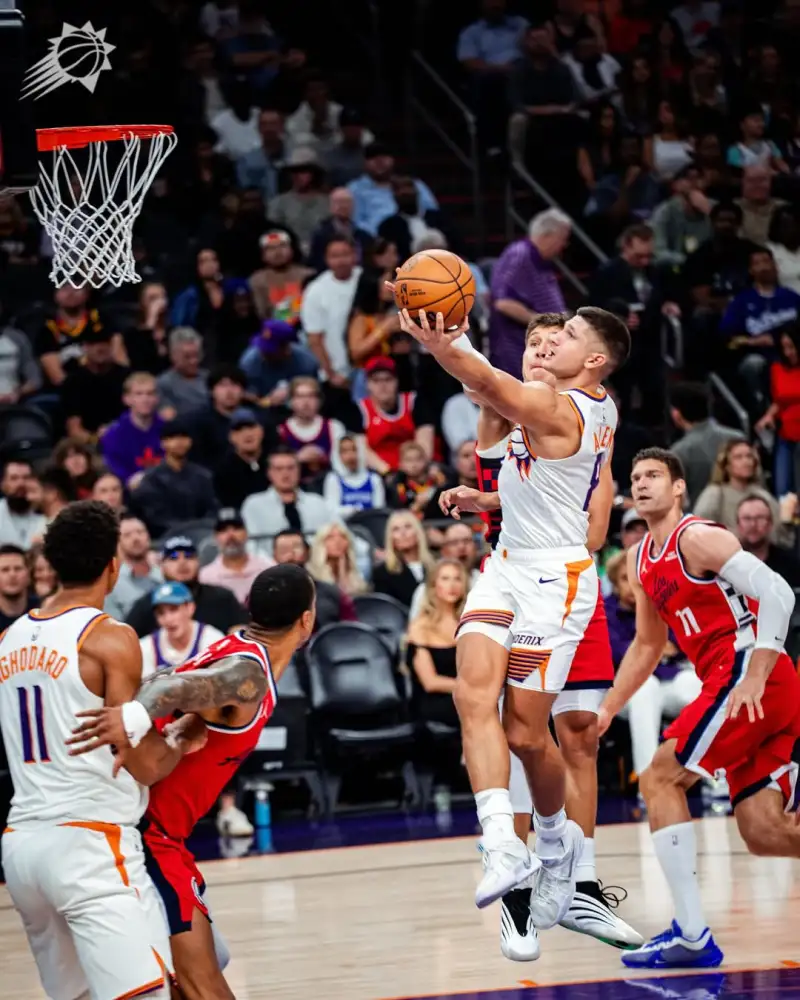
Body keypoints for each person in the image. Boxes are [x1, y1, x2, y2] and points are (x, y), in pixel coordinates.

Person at [398, 300, 630, 933]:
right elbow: (522, 446)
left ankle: (555, 848)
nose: (554, 343)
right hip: (505, 563)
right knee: (473, 698)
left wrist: (445, 341)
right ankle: (501, 843)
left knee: (528, 734)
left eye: (570, 337)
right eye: (546, 338)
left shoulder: (566, 408)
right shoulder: (565, 400)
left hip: (557, 579)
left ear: (595, 361)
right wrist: (490, 497)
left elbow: (487, 383)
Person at [66, 563, 317, 999]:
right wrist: (133, 720)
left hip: (161, 834)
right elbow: (175, 686)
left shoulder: (237, 648)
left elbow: (167, 679)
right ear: (307, 620)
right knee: (204, 983)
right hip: (145, 834)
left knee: (196, 974)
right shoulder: (247, 676)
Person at [598, 448, 800, 969]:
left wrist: (755, 673)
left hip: (750, 673)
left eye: (653, 476)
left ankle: (691, 935)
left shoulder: (698, 537)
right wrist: (606, 710)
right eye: (635, 477)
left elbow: (778, 592)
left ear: (679, 487)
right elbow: (646, 646)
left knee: (659, 778)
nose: (641, 484)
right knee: (763, 833)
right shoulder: (642, 559)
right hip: (735, 682)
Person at [0, 501, 206, 1000]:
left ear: (49, 565)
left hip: (22, 848)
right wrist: (181, 738)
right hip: (90, 845)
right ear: (113, 565)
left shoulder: (8, 639)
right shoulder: (109, 638)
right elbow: (144, 761)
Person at [140, 581, 225, 677]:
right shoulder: (146, 648)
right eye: (161, 613)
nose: (168, 619)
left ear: (190, 608)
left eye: (174, 609)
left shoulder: (213, 641)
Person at [199, 508, 274, 604]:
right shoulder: (206, 577)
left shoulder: (267, 569)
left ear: (246, 533)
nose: (230, 535)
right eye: (223, 530)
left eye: (236, 528)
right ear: (215, 537)